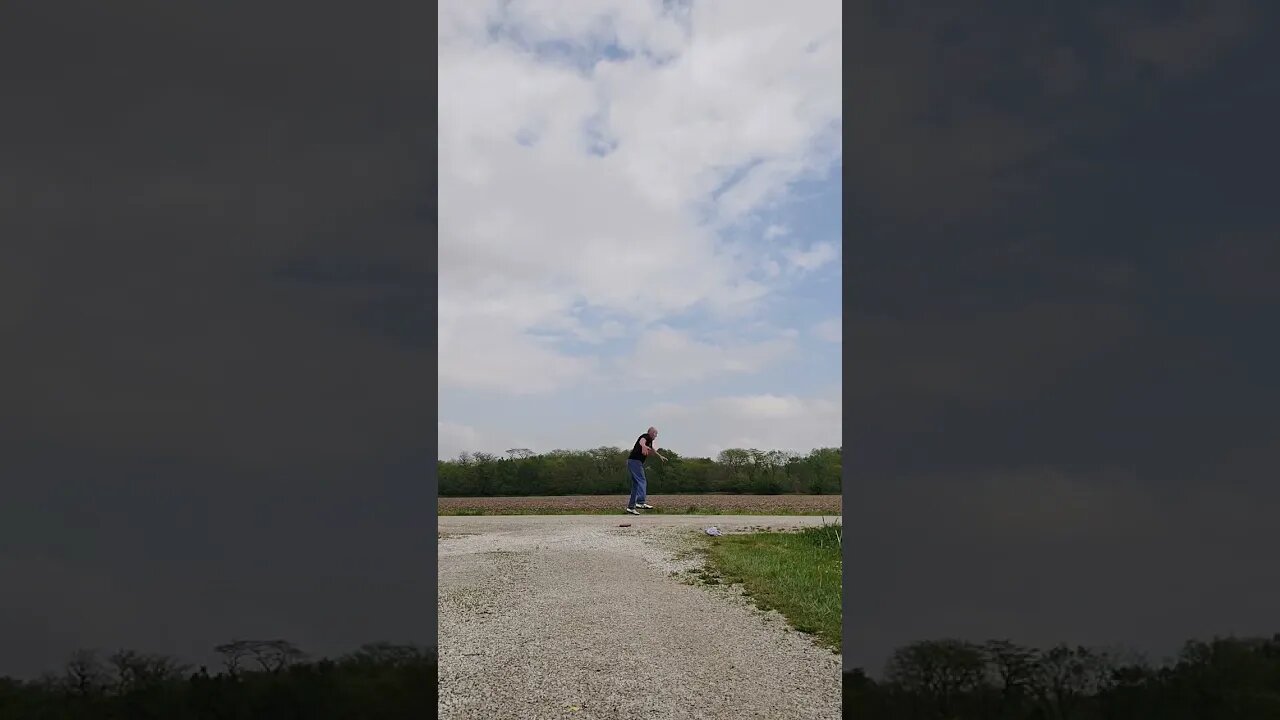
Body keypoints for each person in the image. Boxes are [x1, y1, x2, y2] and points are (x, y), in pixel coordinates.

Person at [625, 426, 666, 515]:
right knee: (642, 481)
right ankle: (640, 502)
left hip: (632, 462)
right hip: (635, 462)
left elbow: (652, 450)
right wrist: (643, 446)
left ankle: (631, 507)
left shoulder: (649, 441)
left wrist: (660, 456)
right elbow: (642, 441)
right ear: (651, 432)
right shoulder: (646, 436)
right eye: (655, 433)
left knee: (636, 484)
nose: (656, 435)